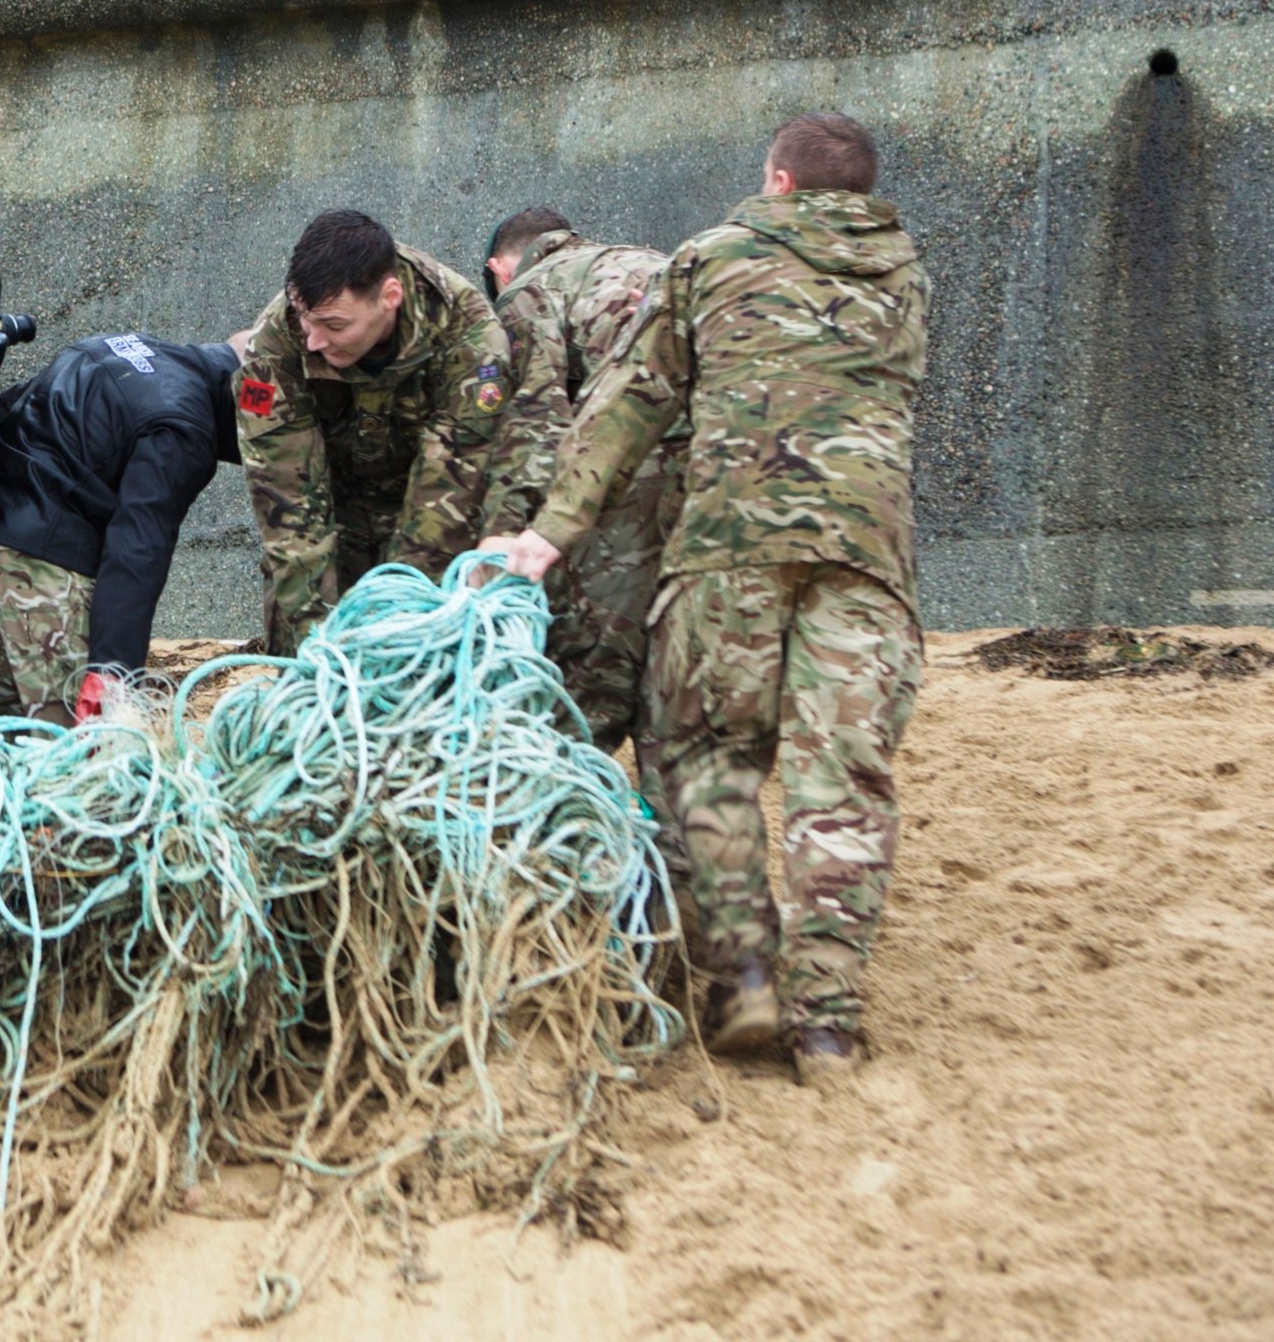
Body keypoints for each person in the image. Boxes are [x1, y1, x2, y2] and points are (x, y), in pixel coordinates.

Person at [487, 114, 928, 1083]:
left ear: (776, 182)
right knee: (841, 783)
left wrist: (550, 533)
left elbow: (630, 402)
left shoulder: (711, 260)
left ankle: (742, 977)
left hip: (729, 549)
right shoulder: (907, 276)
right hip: (867, 559)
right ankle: (827, 1022)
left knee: (703, 761)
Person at [237, 209, 513, 655]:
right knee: (305, 655)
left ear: (390, 296)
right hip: (328, 515)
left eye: (334, 326)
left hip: (425, 511)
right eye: (307, 320)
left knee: (414, 662)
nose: (314, 341)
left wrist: (398, 626)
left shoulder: (470, 337)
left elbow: (449, 497)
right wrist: (317, 649)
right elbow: (287, 502)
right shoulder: (277, 341)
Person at [0, 329, 251, 725]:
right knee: (86, 755)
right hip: (38, 572)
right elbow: (140, 543)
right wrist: (113, 668)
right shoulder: (184, 424)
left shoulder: (126, 345)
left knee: (17, 740)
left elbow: (8, 406)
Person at [476, 208, 676, 750]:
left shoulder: (528, 291)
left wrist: (506, 525)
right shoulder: (645, 259)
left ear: (500, 269)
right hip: (728, 464)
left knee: (593, 658)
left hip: (643, 452)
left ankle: (575, 777)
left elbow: (538, 418)